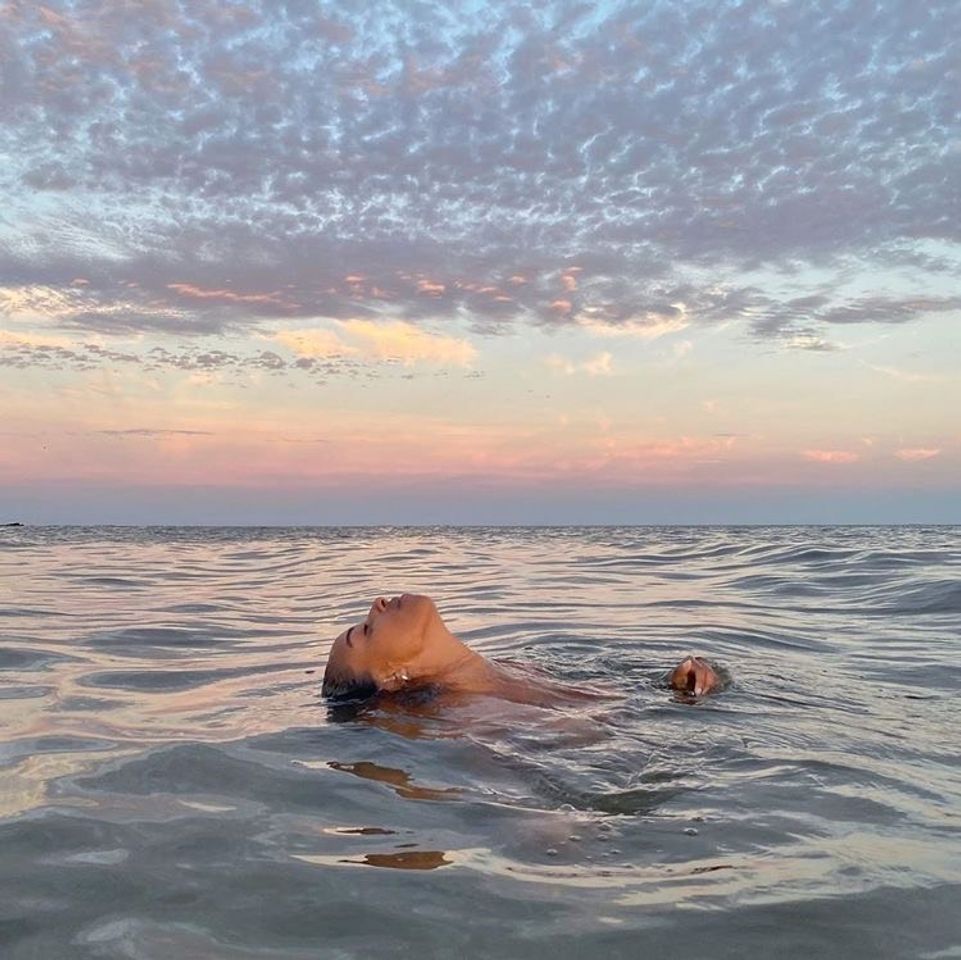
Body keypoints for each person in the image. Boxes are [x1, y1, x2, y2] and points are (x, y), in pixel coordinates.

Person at [322, 593, 722, 704]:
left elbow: (613, 697)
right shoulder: (464, 710)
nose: (375, 605)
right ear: (391, 677)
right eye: (363, 631)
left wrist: (681, 686)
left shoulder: (513, 667)